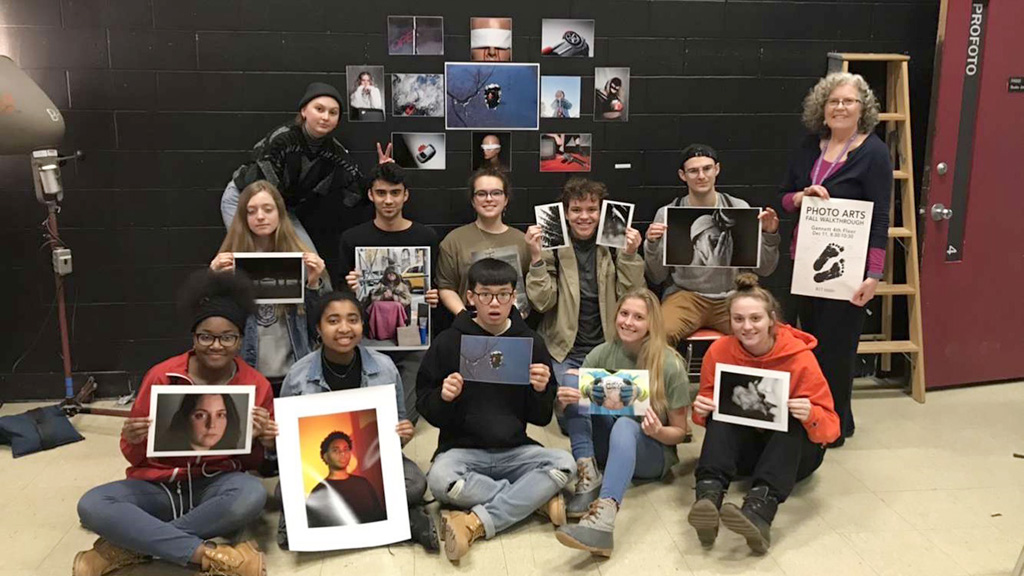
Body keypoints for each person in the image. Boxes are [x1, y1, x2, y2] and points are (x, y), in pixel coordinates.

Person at [74, 270, 276, 576]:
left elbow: (252, 464)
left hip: (215, 487)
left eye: (228, 337)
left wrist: (264, 441)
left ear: (240, 340)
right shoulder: (162, 376)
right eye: (205, 336)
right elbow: (134, 457)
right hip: (157, 486)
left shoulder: (255, 384)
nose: (216, 346)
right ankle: (207, 556)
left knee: (251, 494)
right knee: (92, 504)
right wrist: (134, 436)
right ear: (194, 337)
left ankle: (129, 547)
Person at [417, 258, 576, 562]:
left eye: (503, 294)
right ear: (470, 297)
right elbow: (426, 406)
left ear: (513, 297)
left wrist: (542, 390)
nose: (494, 303)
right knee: (438, 480)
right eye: (485, 294)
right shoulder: (449, 342)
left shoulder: (529, 341)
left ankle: (474, 522)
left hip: (514, 450)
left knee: (564, 464)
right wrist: (444, 396)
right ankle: (534, 500)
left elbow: (541, 417)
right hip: (462, 451)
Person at [687, 274, 839, 553]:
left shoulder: (799, 357)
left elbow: (832, 428)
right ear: (729, 321)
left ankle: (759, 509)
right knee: (722, 412)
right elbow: (706, 407)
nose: (747, 327)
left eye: (755, 319)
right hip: (746, 455)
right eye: (738, 319)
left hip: (794, 456)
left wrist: (810, 414)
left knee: (791, 417)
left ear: (772, 319)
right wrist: (701, 410)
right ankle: (707, 495)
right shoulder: (719, 351)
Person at [778, 72, 891, 447]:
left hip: (848, 270)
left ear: (863, 109)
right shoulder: (810, 145)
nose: (840, 107)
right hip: (802, 262)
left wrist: (874, 274)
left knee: (837, 349)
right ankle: (813, 415)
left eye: (848, 101)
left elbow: (880, 216)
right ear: (822, 109)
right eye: (833, 102)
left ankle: (835, 425)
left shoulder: (874, 152)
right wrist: (799, 198)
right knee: (806, 342)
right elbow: (783, 197)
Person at [278, 291, 439, 550]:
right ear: (318, 328)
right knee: (283, 491)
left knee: (415, 483)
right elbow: (288, 440)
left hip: (373, 461)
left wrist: (403, 433)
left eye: (353, 320)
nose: (344, 328)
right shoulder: (298, 376)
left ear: (363, 326)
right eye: (333, 321)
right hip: (321, 468)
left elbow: (396, 424)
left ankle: (322, 516)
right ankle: (401, 517)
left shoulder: (384, 368)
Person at [553, 289, 693, 557]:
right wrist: (565, 400)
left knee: (626, 425)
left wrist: (659, 430)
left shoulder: (670, 364)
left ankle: (603, 520)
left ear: (652, 323)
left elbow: (680, 432)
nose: (628, 322)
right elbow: (571, 413)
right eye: (624, 314)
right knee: (572, 379)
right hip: (608, 447)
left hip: (651, 451)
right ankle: (588, 476)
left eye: (638, 317)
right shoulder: (602, 353)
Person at [220, 81, 392, 276]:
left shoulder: (335, 153)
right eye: (319, 109)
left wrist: (381, 173)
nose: (325, 117)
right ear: (304, 111)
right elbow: (259, 186)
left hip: (283, 209)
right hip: (243, 200)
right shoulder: (282, 139)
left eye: (333, 113)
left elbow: (357, 189)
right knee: (255, 263)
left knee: (315, 268)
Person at [525, 177, 645, 436]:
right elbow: (542, 302)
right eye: (576, 210)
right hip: (566, 349)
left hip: (609, 347)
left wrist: (630, 255)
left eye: (592, 209)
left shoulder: (613, 239)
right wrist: (535, 258)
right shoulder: (553, 240)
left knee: (623, 416)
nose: (584, 217)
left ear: (602, 212)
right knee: (573, 423)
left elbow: (633, 297)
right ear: (566, 214)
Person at [645, 144, 781, 345]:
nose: (701, 176)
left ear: (716, 169)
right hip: (686, 295)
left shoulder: (738, 208)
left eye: (707, 168)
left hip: (732, 295)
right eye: (693, 171)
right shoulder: (667, 213)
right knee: (657, 335)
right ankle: (671, 376)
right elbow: (656, 276)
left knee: (769, 334)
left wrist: (769, 236)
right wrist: (652, 244)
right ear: (683, 175)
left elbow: (765, 269)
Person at [340, 163, 440, 423]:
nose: (388, 200)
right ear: (371, 195)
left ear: (406, 195)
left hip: (415, 347)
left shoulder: (426, 237)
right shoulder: (352, 239)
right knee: (371, 418)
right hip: (367, 346)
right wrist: (350, 288)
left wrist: (433, 297)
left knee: (403, 420)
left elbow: (434, 287)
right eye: (381, 193)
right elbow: (340, 297)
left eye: (395, 193)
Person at [211, 179, 329, 394]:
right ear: (243, 217)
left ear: (280, 213)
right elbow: (216, 326)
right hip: (247, 372)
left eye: (267, 209)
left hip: (295, 373)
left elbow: (317, 328)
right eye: (252, 211)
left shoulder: (300, 257)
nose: (260, 217)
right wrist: (214, 283)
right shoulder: (229, 262)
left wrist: (313, 284)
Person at [436, 167, 531, 318]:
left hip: (513, 327)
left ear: (505, 199)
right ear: (473, 201)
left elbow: (532, 289)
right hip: (469, 325)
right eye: (481, 194)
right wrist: (463, 317)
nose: (489, 199)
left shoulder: (523, 241)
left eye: (496, 193)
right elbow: (446, 287)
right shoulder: (453, 240)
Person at [306, 431, 386, 526]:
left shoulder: (363, 484)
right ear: (325, 457)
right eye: (336, 450)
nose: (342, 453)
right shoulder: (318, 491)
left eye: (346, 449)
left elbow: (379, 516)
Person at [155, 393, 242, 452]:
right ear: (185, 418)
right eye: (200, 415)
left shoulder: (230, 459)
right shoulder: (161, 455)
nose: (211, 425)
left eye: (220, 415)